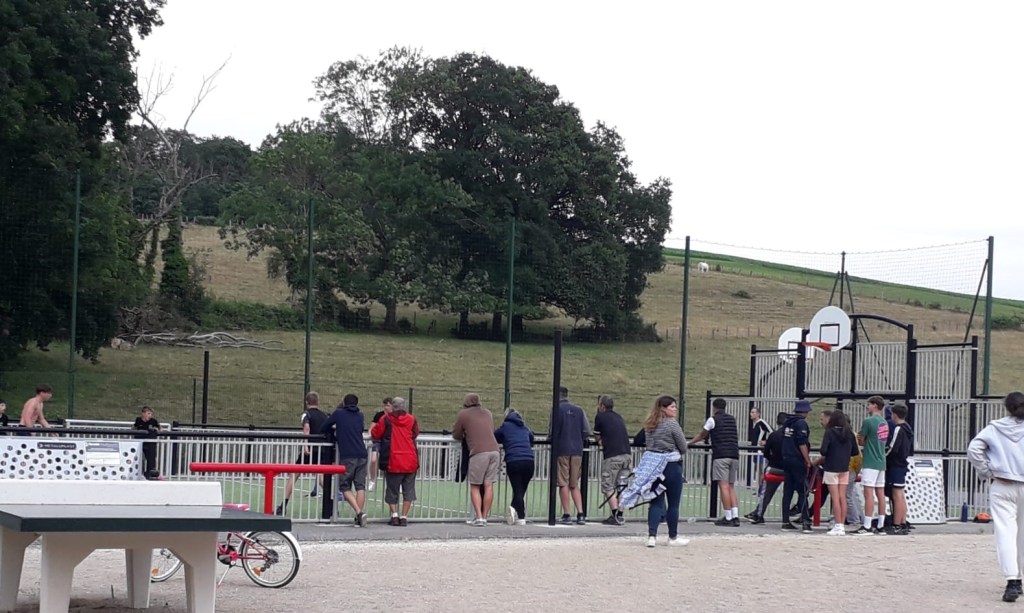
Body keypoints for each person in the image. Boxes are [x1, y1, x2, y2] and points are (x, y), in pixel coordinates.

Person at [967, 391, 1024, 603]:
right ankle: (1020, 577)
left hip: (1003, 483)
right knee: (1022, 534)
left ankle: (1012, 580)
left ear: (1007, 407)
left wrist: (987, 471)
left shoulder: (995, 428)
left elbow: (974, 449)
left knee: (1005, 533)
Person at [642, 395, 688, 547]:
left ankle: (652, 536)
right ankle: (672, 537)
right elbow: (683, 446)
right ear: (663, 408)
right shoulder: (672, 424)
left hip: (654, 465)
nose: (675, 409)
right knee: (673, 503)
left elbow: (648, 444)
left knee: (655, 502)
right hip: (671, 465)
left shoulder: (650, 424)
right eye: (672, 407)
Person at [276, 391, 331, 516]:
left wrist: (305, 444)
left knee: (294, 475)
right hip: (322, 449)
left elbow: (306, 427)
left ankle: (283, 505)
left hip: (310, 449)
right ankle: (330, 503)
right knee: (321, 477)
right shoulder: (325, 415)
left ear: (307, 402)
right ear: (318, 402)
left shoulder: (306, 414)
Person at [690, 397, 740, 526]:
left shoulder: (712, 419)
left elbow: (702, 435)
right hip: (734, 454)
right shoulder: (732, 419)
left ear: (714, 407)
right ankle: (735, 516)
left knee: (723, 486)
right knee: (731, 486)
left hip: (721, 455)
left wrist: (690, 443)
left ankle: (728, 517)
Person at [452, 393, 500, 526]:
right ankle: (485, 517)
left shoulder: (463, 414)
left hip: (479, 452)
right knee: (488, 484)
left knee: (475, 485)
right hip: (494, 450)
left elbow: (456, 434)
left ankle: (478, 517)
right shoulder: (488, 413)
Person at [322, 393, 368, 527]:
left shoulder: (339, 414)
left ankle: (359, 512)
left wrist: (335, 432)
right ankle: (358, 518)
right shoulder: (360, 415)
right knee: (360, 486)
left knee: (344, 486)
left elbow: (324, 426)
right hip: (362, 453)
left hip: (348, 454)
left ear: (344, 403)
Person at [371, 396, 419, 526]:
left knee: (392, 490)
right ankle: (404, 516)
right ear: (404, 406)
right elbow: (415, 433)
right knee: (409, 490)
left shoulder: (386, 419)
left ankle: (394, 515)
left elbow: (375, 433)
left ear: (392, 406)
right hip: (410, 459)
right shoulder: (411, 419)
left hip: (393, 459)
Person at [814, 411, 859, 535]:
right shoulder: (849, 433)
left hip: (831, 468)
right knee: (842, 497)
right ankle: (842, 525)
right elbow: (855, 452)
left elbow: (823, 451)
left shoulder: (829, 432)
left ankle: (837, 524)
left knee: (835, 498)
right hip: (844, 468)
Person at [550, 386, 590, 525]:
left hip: (562, 449)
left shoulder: (556, 410)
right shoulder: (579, 410)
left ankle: (567, 514)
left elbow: (552, 430)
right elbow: (586, 430)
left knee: (563, 483)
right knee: (574, 484)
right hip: (577, 450)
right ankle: (580, 513)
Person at [853, 395, 890, 535]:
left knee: (868, 493)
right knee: (880, 493)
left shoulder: (868, 421)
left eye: (869, 404)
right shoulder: (884, 422)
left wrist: (861, 438)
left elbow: (861, 440)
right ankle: (881, 525)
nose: (867, 407)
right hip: (881, 461)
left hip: (870, 460)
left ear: (875, 405)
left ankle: (867, 525)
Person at [593, 394, 631, 526]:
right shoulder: (619, 417)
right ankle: (620, 513)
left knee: (608, 484)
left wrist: (600, 441)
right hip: (627, 455)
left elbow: (597, 436)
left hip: (612, 455)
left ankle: (614, 514)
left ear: (602, 406)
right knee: (622, 486)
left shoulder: (600, 417)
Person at [494, 407, 534, 526]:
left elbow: (495, 436)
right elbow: (531, 438)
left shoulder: (505, 426)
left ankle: (521, 517)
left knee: (517, 490)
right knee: (521, 490)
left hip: (514, 460)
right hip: (529, 460)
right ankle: (513, 510)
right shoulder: (525, 427)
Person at [749, 411, 788, 524]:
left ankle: (759, 515)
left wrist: (771, 458)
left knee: (766, 493)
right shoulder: (791, 436)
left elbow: (766, 452)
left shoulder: (773, 435)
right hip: (788, 467)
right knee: (794, 492)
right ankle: (797, 516)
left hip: (774, 467)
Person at [780, 400, 813, 533]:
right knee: (802, 491)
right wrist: (807, 460)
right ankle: (805, 521)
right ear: (806, 411)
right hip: (797, 460)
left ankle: (785, 521)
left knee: (787, 491)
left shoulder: (787, 422)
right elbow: (802, 442)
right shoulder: (801, 423)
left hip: (786, 458)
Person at [884, 403, 914, 535]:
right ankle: (902, 522)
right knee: (900, 494)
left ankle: (896, 524)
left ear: (894, 414)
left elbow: (892, 447)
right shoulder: (908, 428)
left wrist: (883, 456)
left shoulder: (898, 429)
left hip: (895, 464)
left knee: (896, 495)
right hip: (902, 464)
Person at [368, 398, 393, 492]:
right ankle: (372, 480)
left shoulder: (394, 416)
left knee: (391, 461)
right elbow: (372, 428)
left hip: (390, 442)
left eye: (388, 405)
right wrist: (371, 437)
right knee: (373, 460)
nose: (386, 407)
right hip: (378, 440)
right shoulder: (379, 415)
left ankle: (392, 483)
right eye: (385, 405)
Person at [133, 405, 161, 479]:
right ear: (143, 413)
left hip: (149, 443)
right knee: (138, 458)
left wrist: (156, 429)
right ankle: (138, 473)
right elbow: (134, 428)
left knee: (150, 458)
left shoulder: (153, 421)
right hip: (139, 442)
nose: (150, 415)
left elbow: (160, 428)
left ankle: (149, 474)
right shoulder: (138, 420)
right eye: (148, 413)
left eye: (151, 414)